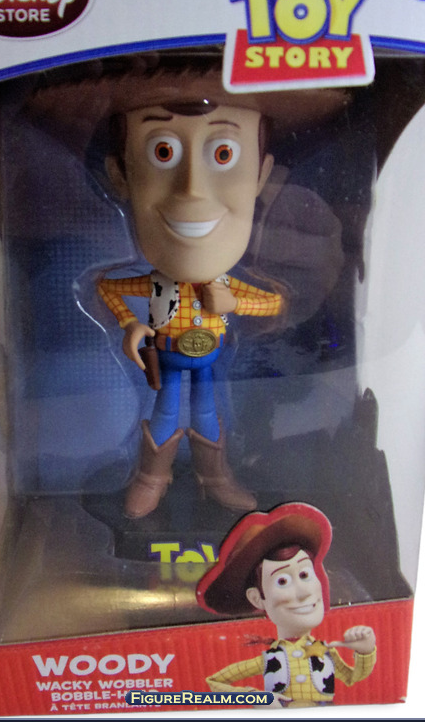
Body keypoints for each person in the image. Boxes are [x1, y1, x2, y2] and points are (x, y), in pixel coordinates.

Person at [97, 63, 348, 519]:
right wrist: (130, 324)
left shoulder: (224, 284)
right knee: (166, 412)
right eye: (163, 151)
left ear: (262, 175)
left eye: (224, 153)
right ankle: (153, 476)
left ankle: (214, 477)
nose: (192, 190)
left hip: (210, 358)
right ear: (121, 176)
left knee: (207, 413)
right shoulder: (156, 284)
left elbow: (274, 303)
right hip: (169, 358)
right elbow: (108, 287)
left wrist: (236, 302)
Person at [196, 502, 376, 708]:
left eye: (305, 575)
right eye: (282, 581)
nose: (303, 592)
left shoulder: (326, 652)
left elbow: (354, 678)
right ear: (257, 598)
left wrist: (365, 652)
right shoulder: (269, 659)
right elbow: (214, 682)